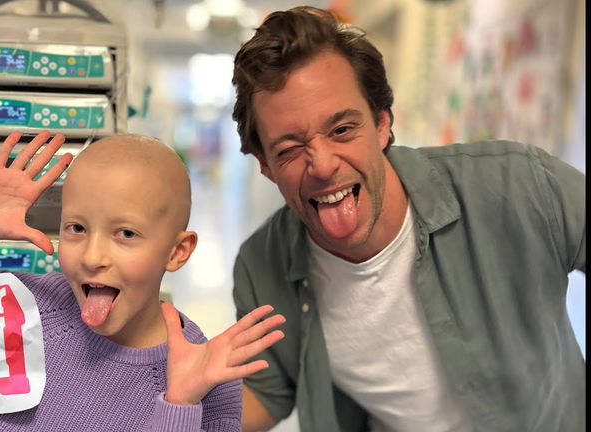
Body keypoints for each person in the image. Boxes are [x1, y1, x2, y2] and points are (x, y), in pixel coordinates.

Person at [230, 6, 585, 432]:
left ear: (381, 124)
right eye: (289, 149)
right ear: (265, 166)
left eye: (342, 130)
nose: (322, 165)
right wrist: (175, 401)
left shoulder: (518, 185)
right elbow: (268, 391)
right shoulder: (260, 266)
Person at [0, 131, 286, 431]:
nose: (92, 256)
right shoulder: (19, 310)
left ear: (176, 251)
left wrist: (180, 405)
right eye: (77, 228)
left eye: (126, 234)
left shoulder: (204, 374)